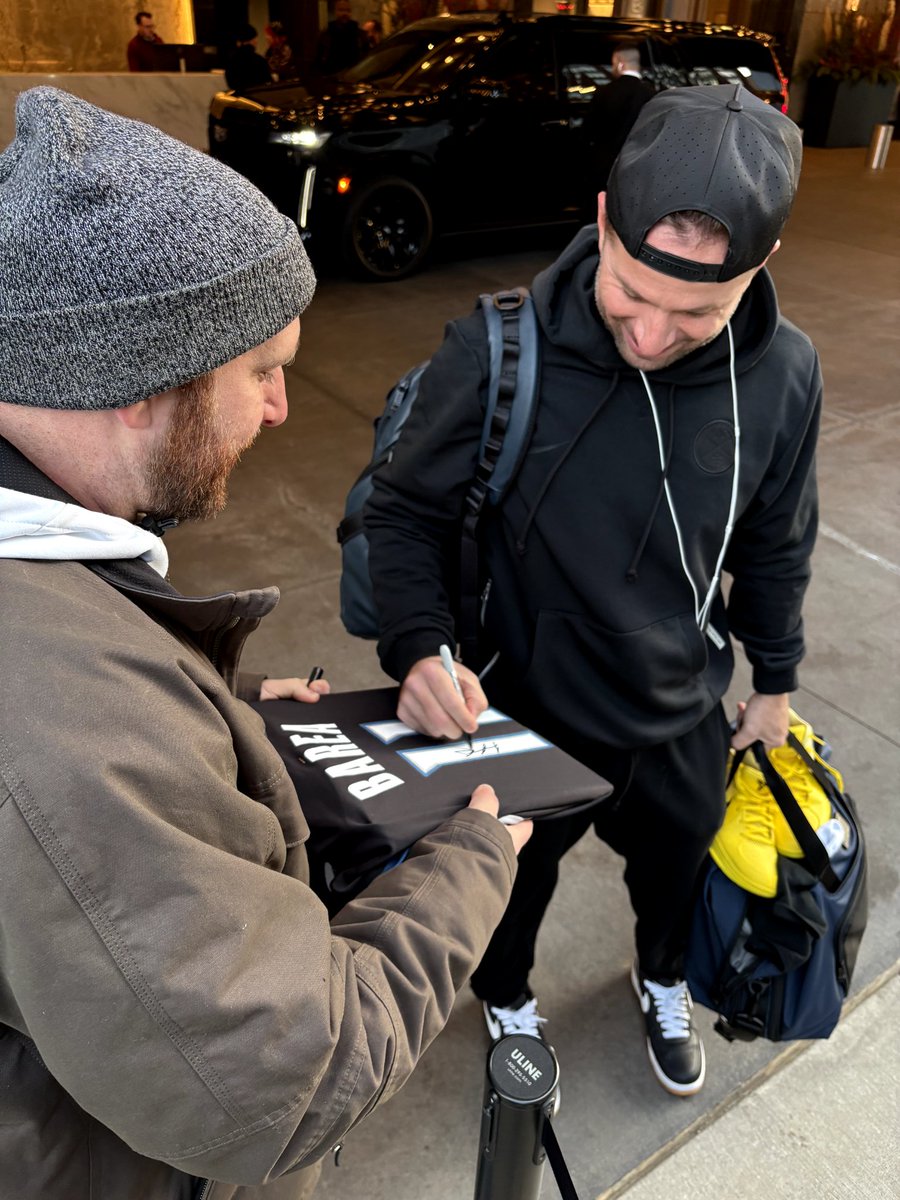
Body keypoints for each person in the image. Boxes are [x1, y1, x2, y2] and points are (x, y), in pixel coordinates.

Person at [0, 86, 530, 1199]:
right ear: (144, 381)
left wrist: (225, 737)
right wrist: (474, 861)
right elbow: (292, 1078)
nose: (283, 408)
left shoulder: (46, 581)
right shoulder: (53, 724)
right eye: (261, 370)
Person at [365, 85, 818, 1098]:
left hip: (680, 714)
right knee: (510, 892)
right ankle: (508, 993)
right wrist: (419, 647)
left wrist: (775, 679)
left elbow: (778, 539)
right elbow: (403, 518)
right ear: (603, 221)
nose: (652, 336)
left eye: (699, 311)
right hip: (523, 708)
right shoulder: (497, 350)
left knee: (674, 878)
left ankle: (659, 977)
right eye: (630, 295)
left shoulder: (787, 376)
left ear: (760, 268)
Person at [584, 41, 656, 192]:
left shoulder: (605, 92)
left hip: (605, 168)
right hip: (638, 168)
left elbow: (588, 131)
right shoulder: (651, 94)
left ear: (620, 64)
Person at [313, 0, 369, 77]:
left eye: (348, 10)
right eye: (341, 10)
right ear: (335, 12)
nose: (345, 13)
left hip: (354, 75)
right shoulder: (327, 33)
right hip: (332, 76)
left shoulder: (359, 34)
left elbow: (366, 56)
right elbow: (319, 58)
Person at [225, 23, 273, 93]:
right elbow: (268, 83)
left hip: (240, 99)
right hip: (257, 98)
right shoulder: (259, 60)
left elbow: (230, 82)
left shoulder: (231, 60)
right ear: (253, 40)